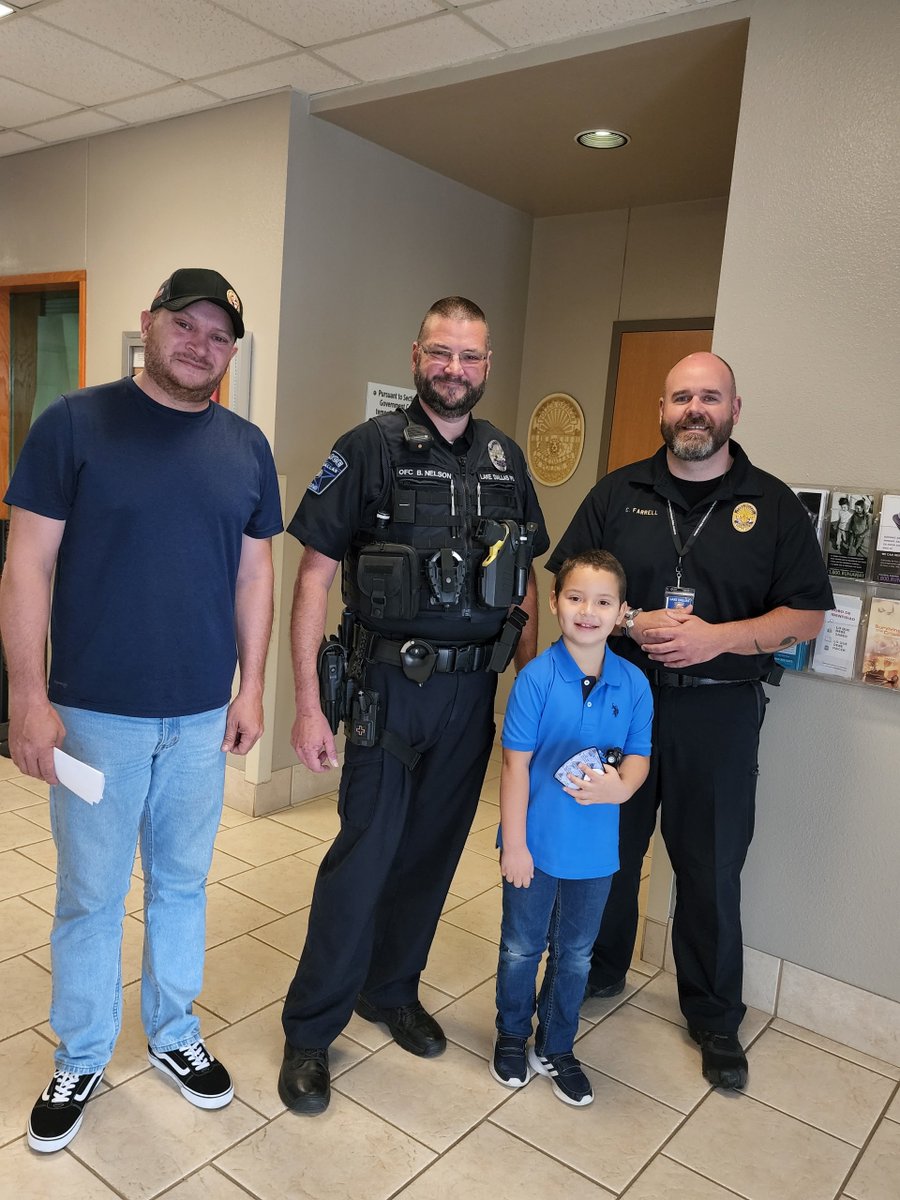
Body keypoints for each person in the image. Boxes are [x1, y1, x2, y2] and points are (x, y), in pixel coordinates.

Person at [0, 268, 283, 1153]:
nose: (200, 345)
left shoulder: (246, 447)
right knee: (91, 894)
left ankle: (171, 1035)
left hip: (199, 718)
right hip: (96, 718)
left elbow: (255, 573)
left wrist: (254, 684)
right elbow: (26, 567)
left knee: (184, 885)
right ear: (149, 324)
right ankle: (81, 1051)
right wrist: (26, 695)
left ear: (231, 352)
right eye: (185, 325)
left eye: (218, 336)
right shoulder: (74, 425)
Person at [278, 296, 549, 1115]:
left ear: (488, 366)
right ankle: (309, 1032)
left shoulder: (506, 459)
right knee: (362, 860)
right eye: (441, 353)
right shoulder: (367, 450)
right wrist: (307, 706)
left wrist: (530, 692)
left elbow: (527, 582)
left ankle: (391, 990)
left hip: (472, 695)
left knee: (432, 858)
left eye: (470, 357)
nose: (454, 370)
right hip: (387, 689)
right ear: (415, 356)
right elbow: (316, 578)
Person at [548, 352, 833, 1090]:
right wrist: (633, 620)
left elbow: (805, 615)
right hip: (619, 703)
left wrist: (717, 637)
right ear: (664, 410)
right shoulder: (619, 493)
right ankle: (595, 972)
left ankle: (712, 1015)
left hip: (720, 708)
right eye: (681, 397)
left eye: (710, 397)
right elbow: (570, 582)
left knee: (709, 867)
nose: (694, 409)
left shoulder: (772, 507)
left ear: (736, 408)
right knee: (604, 846)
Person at [491, 550, 651, 1106]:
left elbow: (638, 754)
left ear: (621, 612)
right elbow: (514, 764)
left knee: (576, 954)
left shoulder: (633, 684)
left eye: (604, 601)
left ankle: (556, 1046)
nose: (589, 610)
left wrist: (623, 787)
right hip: (533, 845)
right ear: (555, 604)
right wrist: (514, 844)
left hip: (595, 852)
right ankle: (512, 1035)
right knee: (521, 947)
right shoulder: (536, 680)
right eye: (576, 597)